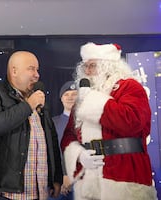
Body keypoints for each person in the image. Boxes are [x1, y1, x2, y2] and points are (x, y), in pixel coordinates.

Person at [61, 42, 157, 199]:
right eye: (85, 66)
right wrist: (79, 155)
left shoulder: (130, 87)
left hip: (125, 175)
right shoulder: (82, 99)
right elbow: (68, 136)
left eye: (92, 66)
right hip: (89, 179)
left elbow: (131, 122)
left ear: (107, 66)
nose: (87, 71)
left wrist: (93, 100)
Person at [0, 50, 63, 200]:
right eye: (31, 69)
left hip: (39, 192)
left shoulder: (37, 100)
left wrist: (56, 177)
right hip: (4, 193)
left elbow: (51, 139)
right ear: (14, 71)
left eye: (37, 70)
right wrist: (27, 106)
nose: (37, 75)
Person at [51, 81, 77, 200]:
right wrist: (60, 177)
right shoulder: (52, 123)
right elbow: (50, 153)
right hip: (60, 185)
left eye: (74, 94)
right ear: (61, 99)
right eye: (66, 94)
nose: (70, 97)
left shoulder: (89, 123)